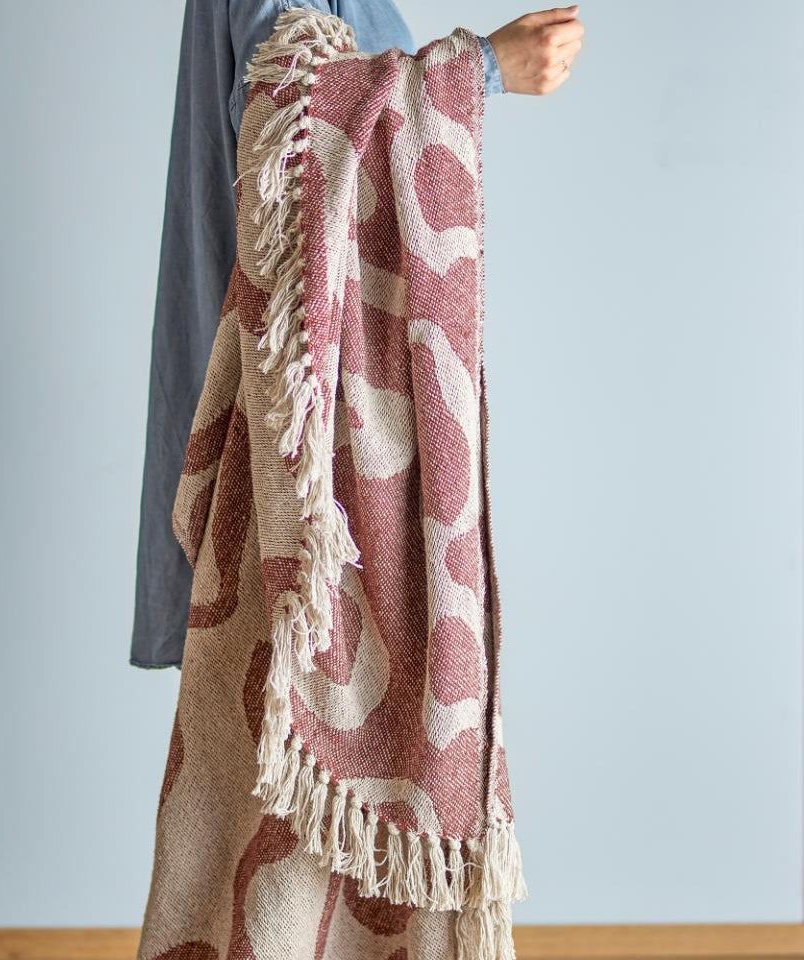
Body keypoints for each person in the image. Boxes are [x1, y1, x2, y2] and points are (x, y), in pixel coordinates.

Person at [130, 0, 584, 671]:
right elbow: (291, 121)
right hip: (307, 425)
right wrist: (484, 67)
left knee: (306, 692)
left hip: (314, 409)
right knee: (308, 692)